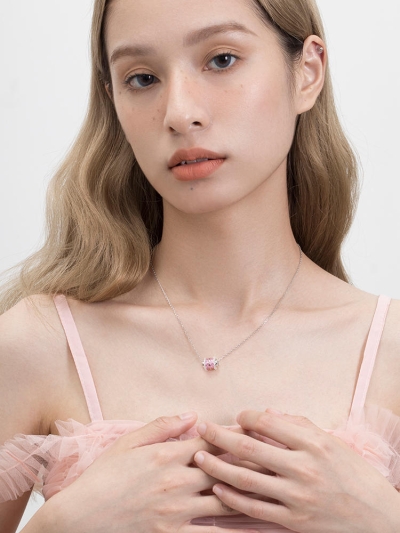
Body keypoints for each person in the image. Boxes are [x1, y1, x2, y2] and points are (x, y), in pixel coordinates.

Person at [0, 0, 399, 531]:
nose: (179, 112)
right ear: (113, 99)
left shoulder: (391, 351)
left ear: (307, 72)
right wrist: (58, 528)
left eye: (221, 60)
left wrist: (383, 520)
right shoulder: (37, 345)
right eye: (142, 78)